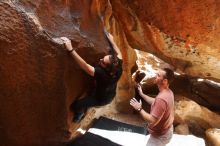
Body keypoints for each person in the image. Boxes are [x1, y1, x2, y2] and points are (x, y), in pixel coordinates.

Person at [61, 30, 123, 123]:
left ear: (107, 69)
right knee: (93, 90)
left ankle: (79, 115)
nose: (100, 59)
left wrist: (71, 50)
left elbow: (85, 66)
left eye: (102, 62)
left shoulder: (101, 74)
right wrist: (111, 40)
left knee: (76, 105)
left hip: (101, 99)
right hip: (110, 93)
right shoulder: (118, 66)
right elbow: (119, 53)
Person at [130, 68, 174, 146]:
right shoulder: (169, 92)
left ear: (165, 81)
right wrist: (142, 94)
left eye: (158, 75)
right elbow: (155, 102)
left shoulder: (162, 98)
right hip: (167, 130)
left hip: (160, 136)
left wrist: (139, 108)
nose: (155, 76)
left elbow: (152, 120)